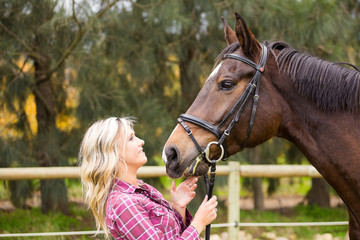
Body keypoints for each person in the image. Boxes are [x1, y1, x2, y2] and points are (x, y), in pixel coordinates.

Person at [79, 117, 218, 240]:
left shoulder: (142, 189)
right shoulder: (124, 204)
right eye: (131, 138)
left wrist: (178, 207)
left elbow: (170, 236)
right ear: (113, 152)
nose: (141, 141)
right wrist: (198, 223)